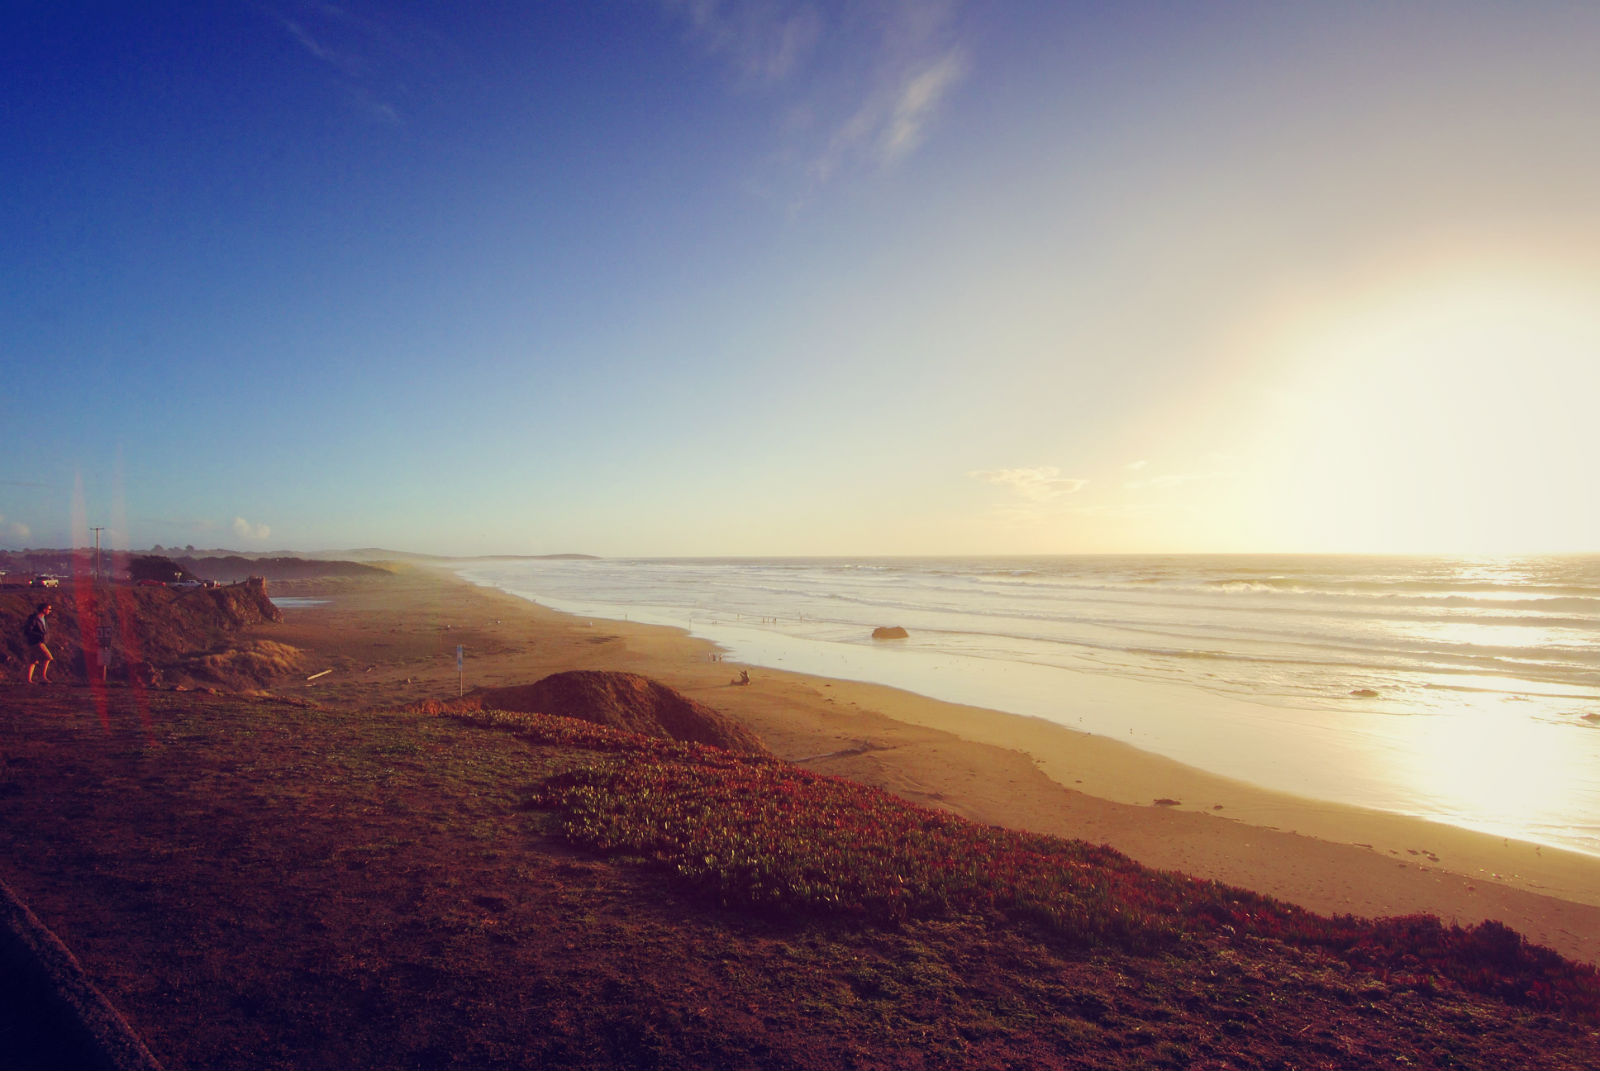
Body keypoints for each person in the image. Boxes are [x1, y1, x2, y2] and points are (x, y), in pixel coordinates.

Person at [23, 602, 53, 684]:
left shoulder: (42, 619)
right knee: (48, 657)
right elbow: (27, 631)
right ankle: (42, 677)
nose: (50, 611)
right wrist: (40, 636)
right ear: (44, 609)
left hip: (36, 642)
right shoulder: (34, 619)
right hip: (36, 642)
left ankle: (28, 680)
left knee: (33, 661)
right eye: (49, 609)